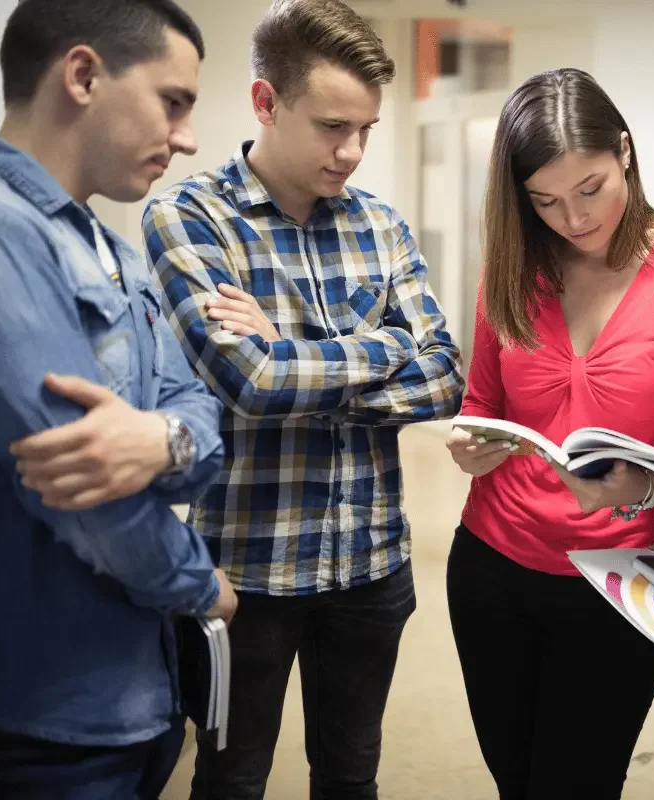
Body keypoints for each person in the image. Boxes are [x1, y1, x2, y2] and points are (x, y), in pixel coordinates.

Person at [141, 0, 464, 797]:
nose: (352, 152)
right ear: (265, 103)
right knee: (231, 778)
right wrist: (385, 349)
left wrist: (296, 357)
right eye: (330, 126)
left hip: (371, 563)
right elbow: (247, 383)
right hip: (247, 571)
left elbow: (447, 374)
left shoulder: (380, 226)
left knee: (352, 776)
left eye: (366, 130)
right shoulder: (188, 217)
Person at [0, 1, 239, 797]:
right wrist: (204, 586)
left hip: (137, 696)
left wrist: (165, 441)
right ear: (82, 75)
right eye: (173, 101)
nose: (186, 136)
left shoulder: (110, 246)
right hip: (36, 723)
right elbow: (87, 499)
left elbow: (201, 415)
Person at [443, 67, 654, 800]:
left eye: (590, 189)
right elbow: (481, 401)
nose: (572, 219)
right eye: (544, 201)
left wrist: (641, 492)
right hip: (491, 565)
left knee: (578, 783)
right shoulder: (513, 265)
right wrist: (469, 446)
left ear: (625, 155)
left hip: (621, 579)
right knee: (517, 780)